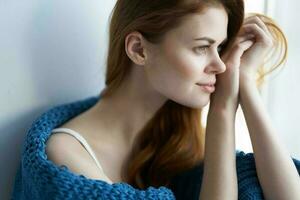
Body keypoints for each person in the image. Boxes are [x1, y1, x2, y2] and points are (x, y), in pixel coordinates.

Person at [11, 0, 300, 199]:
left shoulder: (174, 137)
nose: (221, 65)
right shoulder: (64, 156)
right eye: (202, 48)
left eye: (221, 47)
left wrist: (245, 82)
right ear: (139, 49)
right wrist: (222, 108)